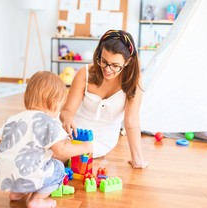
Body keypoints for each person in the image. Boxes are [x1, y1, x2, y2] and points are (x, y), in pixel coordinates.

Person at [0, 71, 92, 208]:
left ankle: (17, 192)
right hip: (29, 175)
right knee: (58, 168)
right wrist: (85, 147)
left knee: (25, 162)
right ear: (54, 102)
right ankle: (37, 200)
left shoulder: (13, 119)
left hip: (5, 175)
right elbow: (61, 150)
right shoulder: (48, 122)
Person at [60, 29, 148, 169]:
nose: (107, 69)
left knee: (58, 153)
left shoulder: (133, 81)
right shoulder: (85, 73)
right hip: (72, 134)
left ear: (127, 61)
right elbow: (67, 111)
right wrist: (68, 119)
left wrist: (137, 159)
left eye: (115, 65)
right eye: (104, 61)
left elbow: (131, 121)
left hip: (101, 141)